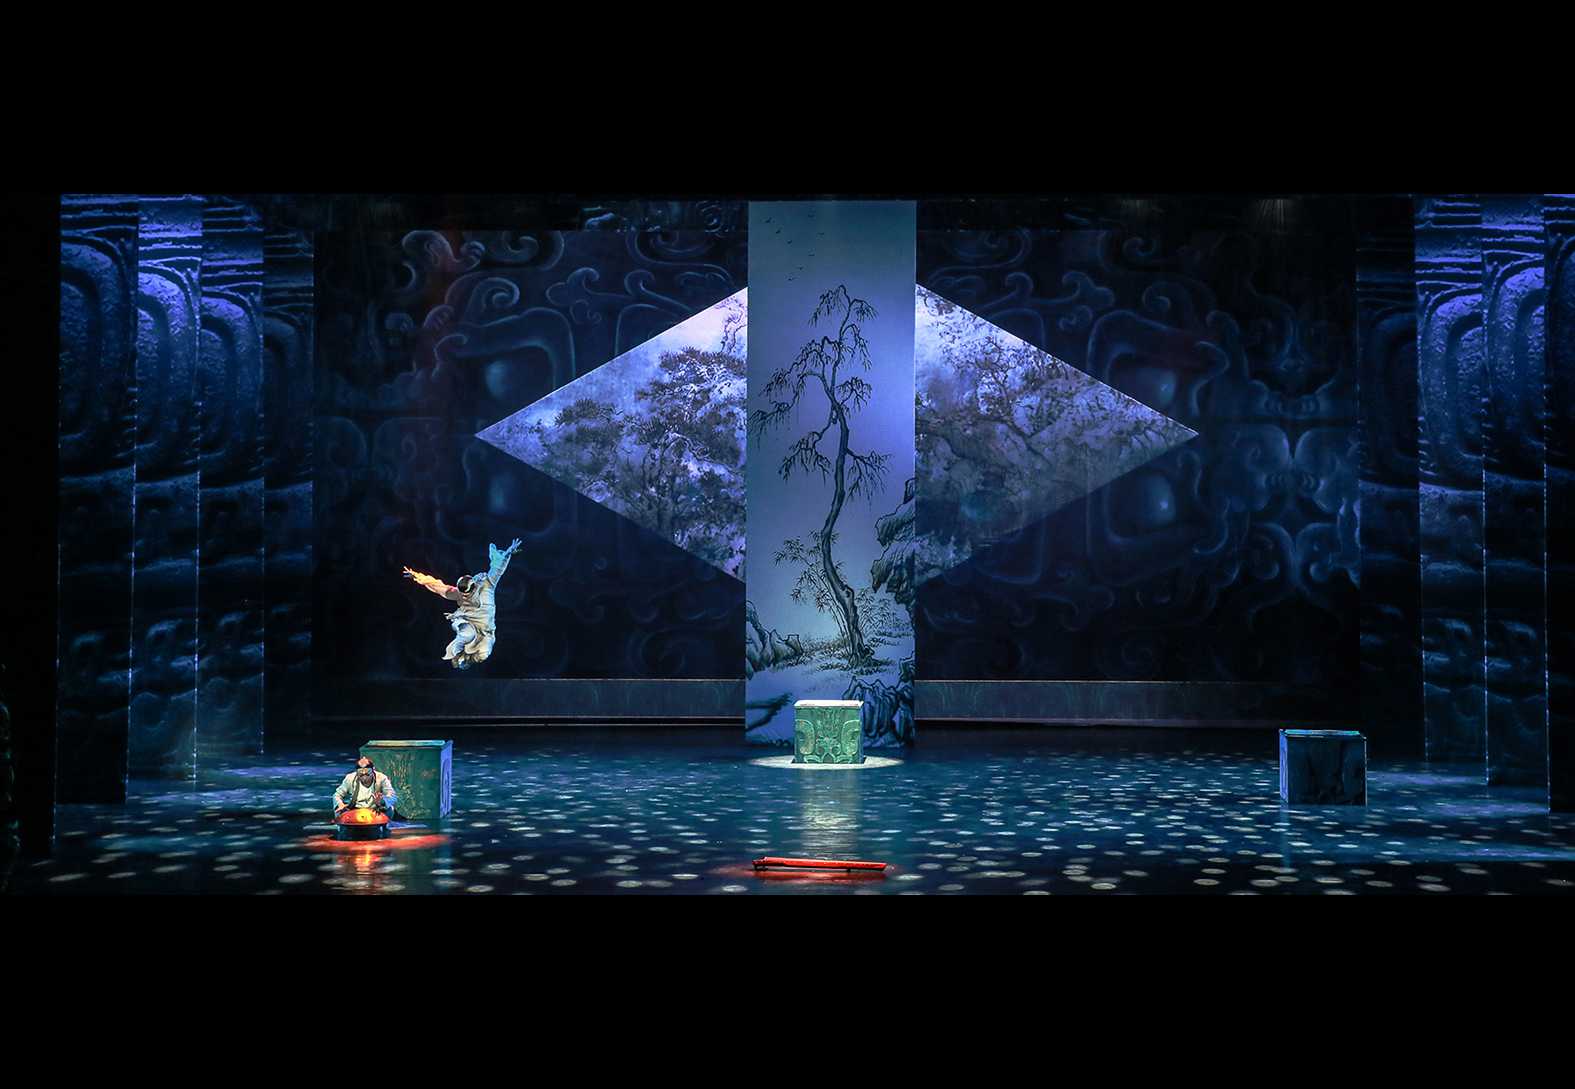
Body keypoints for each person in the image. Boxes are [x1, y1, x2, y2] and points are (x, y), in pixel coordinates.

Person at [403, 538, 522, 669]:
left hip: (486, 629)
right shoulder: (458, 593)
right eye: (463, 593)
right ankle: (457, 654)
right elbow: (437, 586)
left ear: (474, 587)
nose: (465, 596)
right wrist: (417, 576)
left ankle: (468, 659)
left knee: (484, 653)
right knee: (467, 633)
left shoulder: (487, 584)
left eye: (467, 593)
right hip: (467, 620)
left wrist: (508, 553)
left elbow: (498, 569)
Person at [333, 756, 398, 823]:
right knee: (339, 811)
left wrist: (382, 801)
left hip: (376, 809)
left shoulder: (382, 778)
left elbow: (393, 796)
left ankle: (385, 825)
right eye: (361, 773)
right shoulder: (350, 778)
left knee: (391, 808)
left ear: (373, 770)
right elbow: (337, 795)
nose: (364, 776)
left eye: (367, 772)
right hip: (355, 809)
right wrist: (340, 804)